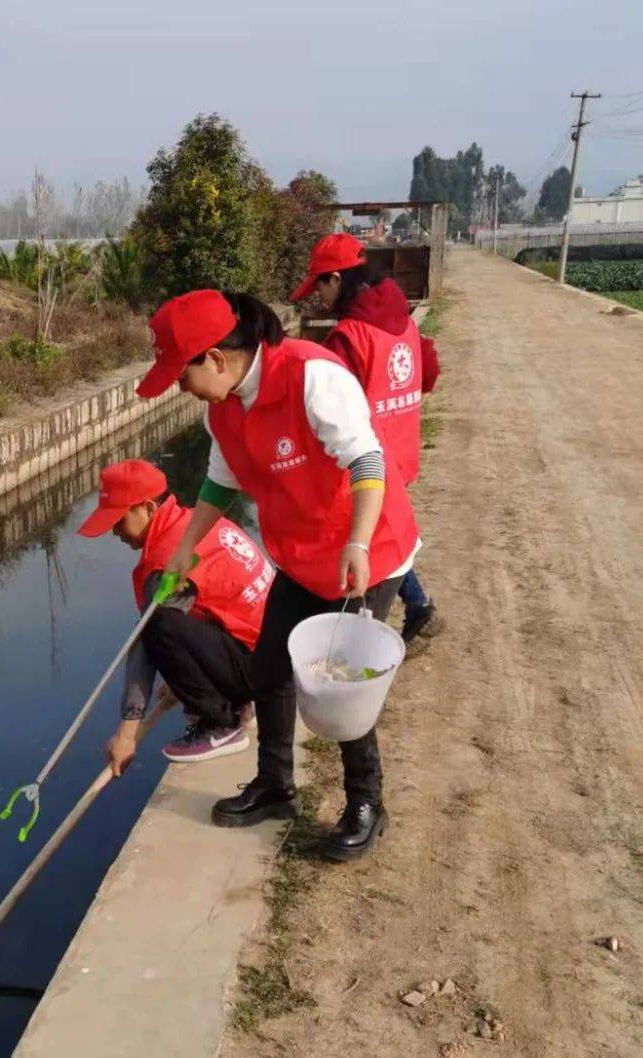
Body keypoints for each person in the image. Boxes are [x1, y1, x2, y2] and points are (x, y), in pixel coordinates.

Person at [136, 290, 420, 861]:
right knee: (270, 669)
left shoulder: (311, 376)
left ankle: (366, 804)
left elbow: (366, 461)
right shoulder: (224, 407)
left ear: (215, 359)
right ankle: (274, 785)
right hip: (300, 558)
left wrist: (358, 543)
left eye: (182, 373)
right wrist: (184, 551)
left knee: (343, 685)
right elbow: (220, 483)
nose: (179, 387)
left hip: (364, 555)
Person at [290, 232, 442, 645]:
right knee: (388, 537)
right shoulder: (405, 320)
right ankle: (419, 604)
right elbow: (428, 373)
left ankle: (368, 636)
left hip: (369, 467)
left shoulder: (349, 337)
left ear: (337, 279)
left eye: (320, 286)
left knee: (369, 543)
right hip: (402, 452)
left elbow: (326, 410)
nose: (318, 297)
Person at [76, 459, 272, 776]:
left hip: (263, 671)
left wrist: (126, 733)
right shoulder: (195, 522)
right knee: (167, 621)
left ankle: (220, 725)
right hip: (275, 654)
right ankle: (235, 702)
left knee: (157, 623)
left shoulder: (169, 558)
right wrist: (182, 677)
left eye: (119, 519)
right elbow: (206, 609)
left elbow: (147, 640)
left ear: (149, 508)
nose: (114, 531)